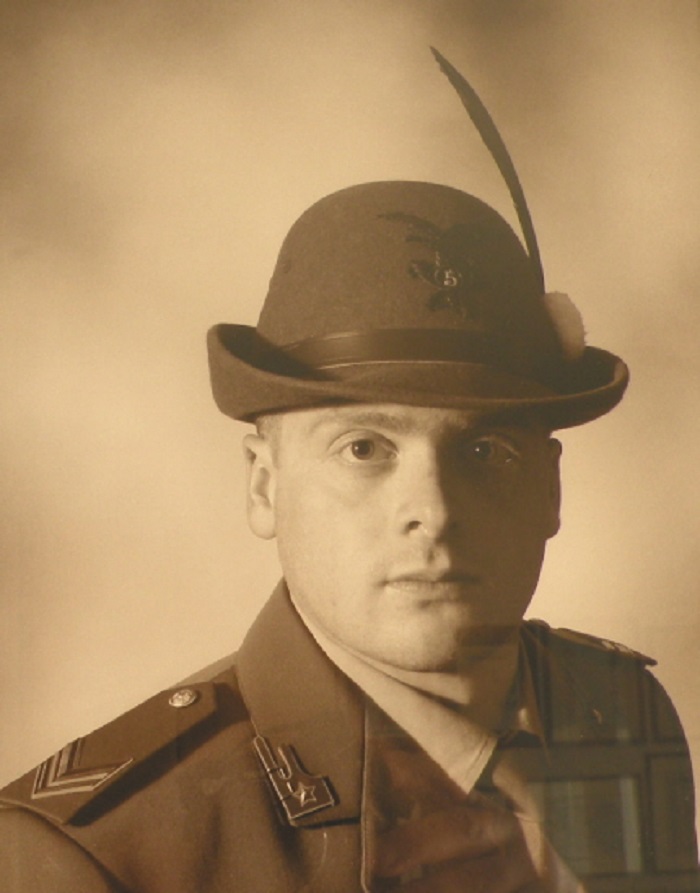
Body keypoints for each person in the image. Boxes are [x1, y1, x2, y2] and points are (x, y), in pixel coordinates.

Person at [1, 52, 698, 893]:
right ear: (264, 485)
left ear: (551, 488)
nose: (433, 510)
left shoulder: (618, 717)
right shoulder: (103, 853)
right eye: (365, 448)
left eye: (486, 451)